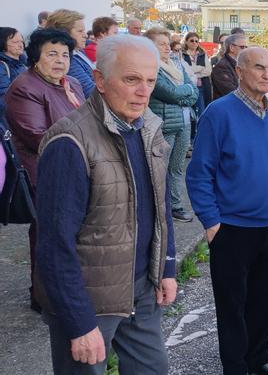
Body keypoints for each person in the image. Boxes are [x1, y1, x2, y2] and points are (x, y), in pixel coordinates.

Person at [35, 34, 176, 374]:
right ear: (99, 80)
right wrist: (79, 322)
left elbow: (161, 204)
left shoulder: (146, 129)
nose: (144, 91)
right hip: (89, 301)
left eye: (150, 81)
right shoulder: (70, 141)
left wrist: (167, 268)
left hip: (141, 291)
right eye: (131, 80)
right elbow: (54, 245)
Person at [186, 47, 268, 375]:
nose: (266, 74)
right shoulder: (219, 114)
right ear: (241, 72)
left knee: (264, 301)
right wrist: (211, 222)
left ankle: (258, 361)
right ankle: (236, 368)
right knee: (233, 307)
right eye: (258, 68)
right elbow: (199, 172)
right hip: (232, 229)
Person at [6, 28, 86, 313]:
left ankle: (67, 288)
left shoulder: (72, 83)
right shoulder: (25, 87)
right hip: (45, 173)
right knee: (48, 237)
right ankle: (44, 298)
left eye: (65, 54)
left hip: (76, 167)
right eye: (52, 54)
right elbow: (38, 136)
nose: (60, 60)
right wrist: (86, 148)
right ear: (35, 57)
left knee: (71, 235)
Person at [146, 27, 199, 223]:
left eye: (168, 44)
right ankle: (159, 209)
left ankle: (175, 206)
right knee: (160, 169)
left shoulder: (175, 64)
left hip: (184, 123)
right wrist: (182, 94)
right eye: (162, 44)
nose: (167, 48)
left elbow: (193, 93)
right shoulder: (151, 67)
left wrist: (182, 95)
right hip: (165, 124)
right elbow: (171, 93)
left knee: (176, 168)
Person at [46, 9, 96, 97]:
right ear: (65, 34)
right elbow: (90, 92)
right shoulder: (68, 60)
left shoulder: (79, 51)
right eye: (80, 31)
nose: (85, 35)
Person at [183, 32, 213, 114]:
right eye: (192, 40)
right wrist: (200, 68)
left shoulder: (202, 53)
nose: (194, 43)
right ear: (186, 41)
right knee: (193, 112)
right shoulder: (182, 54)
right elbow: (185, 71)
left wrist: (193, 73)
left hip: (203, 86)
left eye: (196, 41)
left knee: (204, 110)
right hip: (189, 87)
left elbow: (208, 71)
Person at [0, 27, 28, 114]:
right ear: (3, 44)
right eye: (15, 42)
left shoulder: (23, 64)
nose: (20, 45)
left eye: (21, 41)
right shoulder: (2, 66)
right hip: (13, 118)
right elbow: (4, 98)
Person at [211, 33, 246, 100]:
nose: (245, 50)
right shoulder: (221, 67)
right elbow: (230, 92)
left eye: (246, 47)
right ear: (231, 48)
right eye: (242, 47)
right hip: (227, 107)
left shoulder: (241, 64)